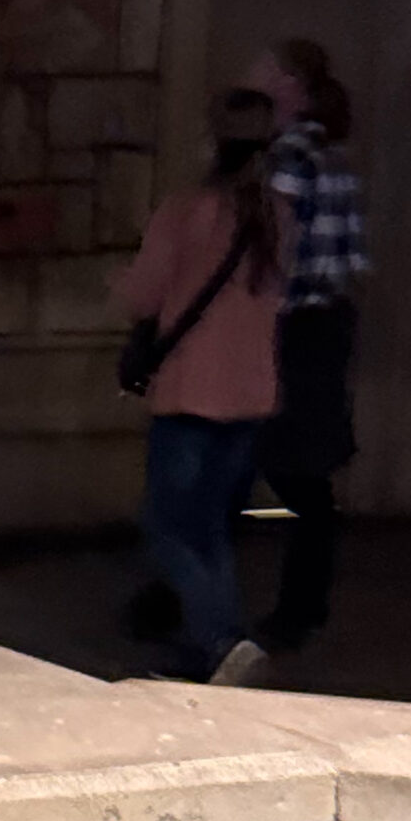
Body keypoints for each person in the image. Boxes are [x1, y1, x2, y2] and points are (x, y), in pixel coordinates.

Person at [117, 90, 289, 687]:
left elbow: (142, 294)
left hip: (192, 392)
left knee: (167, 525)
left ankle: (222, 641)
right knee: (210, 526)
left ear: (213, 142)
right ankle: (211, 647)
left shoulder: (188, 210)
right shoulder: (278, 216)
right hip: (251, 394)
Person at [253, 36, 369, 654]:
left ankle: (292, 608)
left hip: (293, 327)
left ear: (290, 83)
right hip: (328, 324)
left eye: (267, 66)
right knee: (305, 474)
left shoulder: (290, 157)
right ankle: (304, 603)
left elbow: (279, 251)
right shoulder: (333, 154)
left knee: (282, 469)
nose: (256, 73)